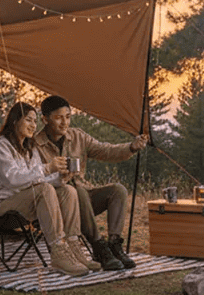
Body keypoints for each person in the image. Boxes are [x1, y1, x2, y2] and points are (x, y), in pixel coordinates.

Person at [0, 101, 97, 277]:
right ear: (15, 121)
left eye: (35, 121)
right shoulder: (0, 146)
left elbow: (39, 178)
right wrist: (48, 168)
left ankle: (73, 246)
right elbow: (13, 179)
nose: (33, 125)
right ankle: (58, 251)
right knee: (44, 190)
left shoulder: (29, 148)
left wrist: (60, 178)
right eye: (29, 120)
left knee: (68, 191)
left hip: (19, 201)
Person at [34, 95, 149, 271]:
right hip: (59, 203)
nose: (64, 122)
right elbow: (34, 178)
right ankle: (97, 246)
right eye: (58, 118)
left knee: (117, 190)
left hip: (85, 197)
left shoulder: (78, 136)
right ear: (45, 119)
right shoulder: (35, 144)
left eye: (68, 116)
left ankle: (114, 245)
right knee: (76, 191)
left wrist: (131, 147)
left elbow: (106, 150)